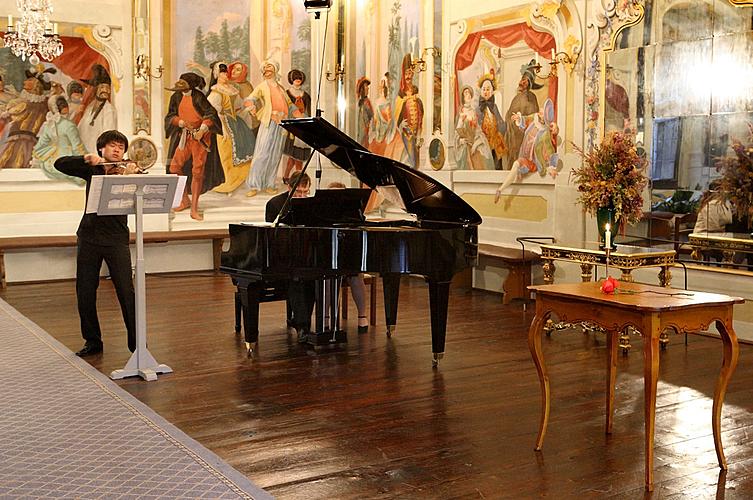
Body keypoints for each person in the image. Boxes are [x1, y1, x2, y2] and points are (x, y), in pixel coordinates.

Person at [53, 130, 140, 356]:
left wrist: (131, 175)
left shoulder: (128, 168)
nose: (117, 149)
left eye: (120, 146)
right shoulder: (92, 169)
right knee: (85, 290)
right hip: (89, 236)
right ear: (102, 148)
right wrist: (85, 158)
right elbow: (59, 164)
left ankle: (138, 344)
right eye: (112, 145)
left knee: (126, 291)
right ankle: (93, 341)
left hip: (116, 239)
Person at [164, 72, 224, 220]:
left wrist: (202, 129)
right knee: (174, 168)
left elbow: (211, 115)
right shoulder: (176, 97)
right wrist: (179, 121)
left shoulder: (199, 96)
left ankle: (195, 208)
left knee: (197, 172)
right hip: (185, 136)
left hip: (200, 138)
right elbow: (170, 116)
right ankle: (185, 200)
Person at [266, 171, 315, 341]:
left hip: (305, 256)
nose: (301, 196)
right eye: (298, 192)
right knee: (297, 278)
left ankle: (306, 322)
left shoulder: (311, 204)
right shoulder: (274, 204)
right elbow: (270, 237)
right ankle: (303, 326)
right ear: (289, 187)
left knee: (314, 277)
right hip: (281, 257)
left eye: (305, 192)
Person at [246, 60, 297, 197]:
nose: (266, 69)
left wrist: (299, 115)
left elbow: (290, 105)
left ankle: (269, 184)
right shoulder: (262, 86)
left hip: (281, 124)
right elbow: (250, 98)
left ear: (275, 69)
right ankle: (254, 185)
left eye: (269, 67)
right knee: (262, 154)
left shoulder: (280, 87)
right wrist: (251, 106)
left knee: (275, 155)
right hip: (269, 121)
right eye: (264, 68)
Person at [207, 62, 256, 194]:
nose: (225, 75)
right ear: (217, 74)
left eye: (226, 72)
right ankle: (229, 182)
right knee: (227, 151)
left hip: (237, 122)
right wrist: (223, 126)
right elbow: (214, 111)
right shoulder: (215, 91)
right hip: (223, 123)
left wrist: (247, 109)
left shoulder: (232, 88)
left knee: (248, 145)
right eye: (222, 73)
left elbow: (238, 106)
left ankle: (242, 179)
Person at [328, 181, 369, 333]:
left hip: (348, 255)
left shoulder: (353, 214)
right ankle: (326, 317)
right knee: (326, 278)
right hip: (327, 257)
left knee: (356, 276)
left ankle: (362, 316)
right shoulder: (322, 212)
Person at [32, 95, 87, 184]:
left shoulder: (48, 125)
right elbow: (78, 147)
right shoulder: (69, 126)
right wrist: (86, 160)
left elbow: (40, 145)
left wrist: (36, 158)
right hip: (66, 161)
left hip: (49, 164)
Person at [503, 60, 541, 170]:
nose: (522, 83)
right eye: (522, 80)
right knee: (515, 157)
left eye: (525, 81)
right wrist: (513, 121)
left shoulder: (532, 97)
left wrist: (526, 122)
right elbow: (509, 115)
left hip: (528, 133)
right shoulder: (516, 98)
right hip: (515, 134)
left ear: (529, 83)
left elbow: (535, 115)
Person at [77, 64, 117, 154]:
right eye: (102, 87)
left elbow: (109, 135)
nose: (105, 90)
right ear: (96, 89)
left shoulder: (109, 110)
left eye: (108, 88)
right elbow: (81, 127)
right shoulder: (90, 106)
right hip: (84, 151)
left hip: (97, 153)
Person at [282, 69, 311, 182]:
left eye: (299, 78)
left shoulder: (306, 96)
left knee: (295, 156)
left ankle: (286, 176)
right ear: (291, 80)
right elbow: (285, 109)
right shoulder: (287, 94)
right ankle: (298, 179)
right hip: (291, 126)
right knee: (295, 156)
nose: (297, 80)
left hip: (302, 125)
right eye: (295, 78)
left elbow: (308, 111)